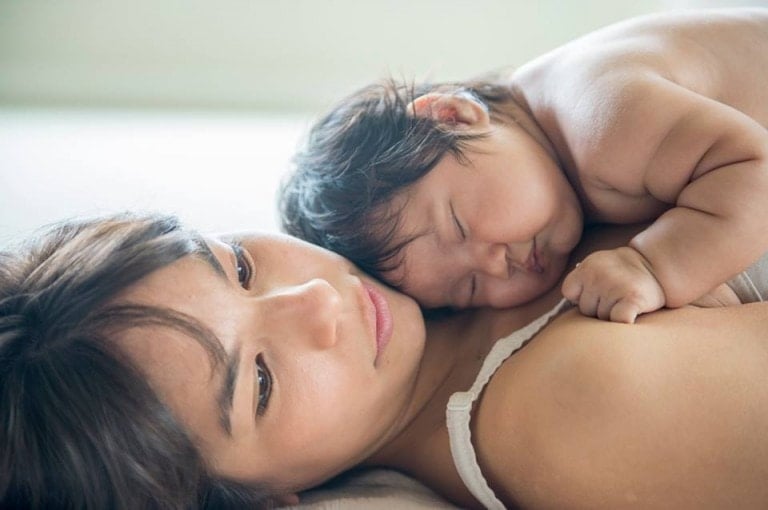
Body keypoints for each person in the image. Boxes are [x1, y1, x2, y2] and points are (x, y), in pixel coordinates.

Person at [4, 212, 768, 509]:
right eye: (260, 382)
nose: (316, 300)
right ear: (268, 502)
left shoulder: (439, 227)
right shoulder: (569, 409)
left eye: (237, 266)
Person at [279, 7, 768, 323]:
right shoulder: (549, 159)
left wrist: (656, 266)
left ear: (452, 115)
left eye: (459, 225)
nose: (495, 264)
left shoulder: (601, 117)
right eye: (467, 288)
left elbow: (755, 170)